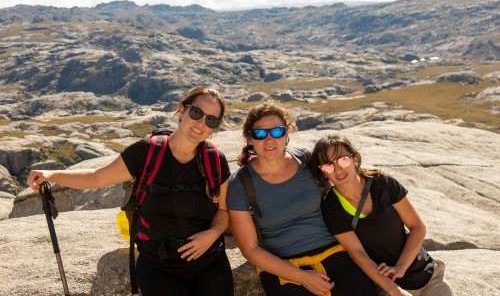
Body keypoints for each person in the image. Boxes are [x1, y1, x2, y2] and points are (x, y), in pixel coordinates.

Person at [26, 87, 234, 296]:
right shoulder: (146, 152)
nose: (201, 124)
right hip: (159, 265)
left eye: (211, 120)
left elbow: (223, 211)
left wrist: (212, 234)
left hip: (210, 261)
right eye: (196, 113)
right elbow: (97, 177)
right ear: (182, 109)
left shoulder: (215, 160)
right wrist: (52, 175)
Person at [227, 99, 376, 296]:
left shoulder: (305, 159)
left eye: (277, 131)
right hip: (284, 266)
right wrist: (301, 277)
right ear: (250, 138)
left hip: (335, 252)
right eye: (260, 133)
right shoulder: (240, 184)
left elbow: (342, 184)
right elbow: (251, 250)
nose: (269, 140)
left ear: (287, 133)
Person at [310, 134, 454, 296]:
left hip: (425, 275)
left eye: (343, 160)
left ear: (355, 159)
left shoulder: (383, 183)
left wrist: (400, 267)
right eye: (328, 166)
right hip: (385, 284)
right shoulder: (331, 207)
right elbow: (358, 254)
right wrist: (395, 290)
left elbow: (417, 227)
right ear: (323, 171)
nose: (337, 170)